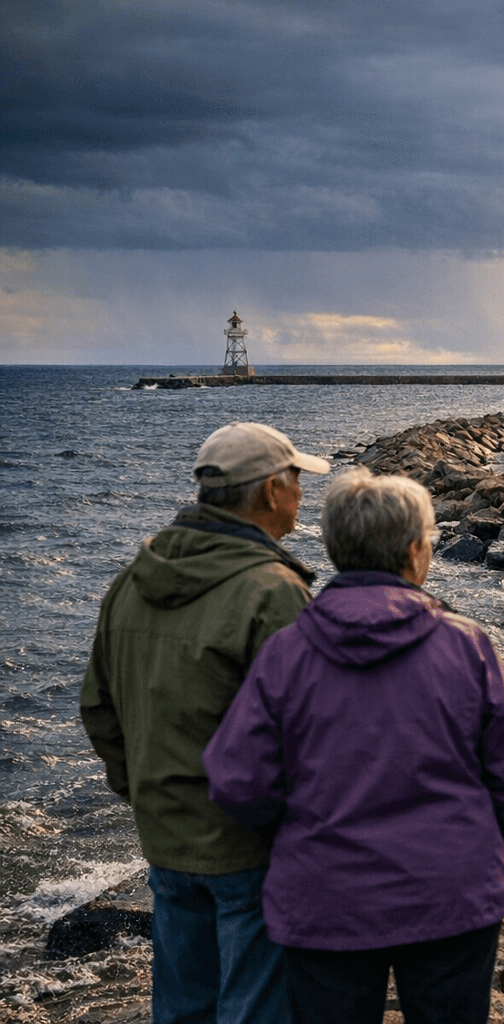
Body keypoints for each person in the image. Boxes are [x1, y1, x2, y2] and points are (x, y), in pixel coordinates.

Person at [204, 467, 504, 1024]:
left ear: (338, 549)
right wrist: (501, 852)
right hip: (452, 891)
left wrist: (296, 837)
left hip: (324, 897)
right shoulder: (465, 646)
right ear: (415, 551)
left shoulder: (288, 653)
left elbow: (238, 781)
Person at [81, 421, 332, 1023]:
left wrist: (144, 788)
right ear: (271, 492)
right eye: (297, 478)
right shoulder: (272, 592)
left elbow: (98, 706)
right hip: (250, 843)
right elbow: (312, 731)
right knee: (257, 1008)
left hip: (166, 833)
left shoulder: (130, 582)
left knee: (181, 1006)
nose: (303, 491)